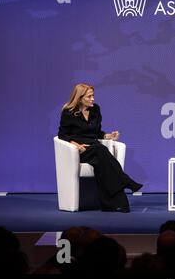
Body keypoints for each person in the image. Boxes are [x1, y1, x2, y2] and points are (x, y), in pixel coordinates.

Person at [58, 83, 142, 213]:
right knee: (101, 150)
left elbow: (97, 133)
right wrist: (76, 145)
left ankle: (116, 204)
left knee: (103, 165)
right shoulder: (69, 112)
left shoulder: (95, 109)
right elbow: (62, 135)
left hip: (94, 148)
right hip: (80, 151)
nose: (93, 99)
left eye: (93, 96)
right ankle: (127, 181)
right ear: (80, 98)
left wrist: (108, 136)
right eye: (89, 96)